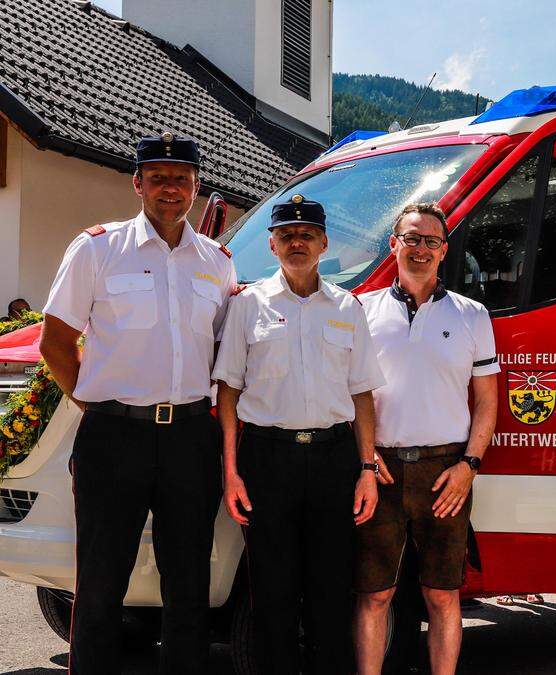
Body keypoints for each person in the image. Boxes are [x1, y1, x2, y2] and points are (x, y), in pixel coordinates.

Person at [39, 133, 236, 674]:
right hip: (114, 437)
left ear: (197, 187)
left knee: (188, 585)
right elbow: (55, 341)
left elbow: (224, 352)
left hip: (190, 439)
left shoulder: (217, 263)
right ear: (138, 184)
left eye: (181, 178)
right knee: (101, 584)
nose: (170, 188)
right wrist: (95, 406)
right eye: (158, 177)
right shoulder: (98, 248)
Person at [212, 194, 386, 674]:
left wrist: (367, 468)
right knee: (272, 591)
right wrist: (230, 470)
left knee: (333, 588)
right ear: (272, 244)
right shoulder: (248, 307)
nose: (297, 242)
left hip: (334, 458)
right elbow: (227, 392)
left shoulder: (347, 307)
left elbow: (362, 396)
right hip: (267, 460)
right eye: (286, 234)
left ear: (324, 242)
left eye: (306, 234)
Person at [353, 202, 500, 675]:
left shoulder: (472, 315)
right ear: (393, 244)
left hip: (446, 473)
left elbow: (488, 401)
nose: (420, 249)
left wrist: (469, 467)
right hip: (382, 472)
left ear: (444, 250)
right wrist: (367, 457)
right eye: (411, 239)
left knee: (442, 593)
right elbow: (348, 395)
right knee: (375, 594)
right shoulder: (361, 311)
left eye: (431, 241)